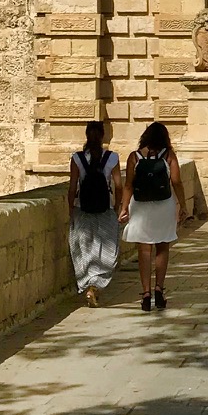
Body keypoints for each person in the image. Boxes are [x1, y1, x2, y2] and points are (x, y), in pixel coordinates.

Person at [118, 120, 184, 313]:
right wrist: (183, 205)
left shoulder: (134, 157)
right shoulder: (168, 155)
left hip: (141, 206)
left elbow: (128, 184)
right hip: (164, 205)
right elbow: (177, 181)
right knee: (162, 247)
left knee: (144, 250)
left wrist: (124, 208)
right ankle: (159, 289)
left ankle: (145, 293)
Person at [67, 120, 120, 305]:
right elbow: (118, 185)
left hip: (83, 208)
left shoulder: (77, 158)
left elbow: (73, 185)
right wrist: (118, 205)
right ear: (103, 136)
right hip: (106, 209)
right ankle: (95, 286)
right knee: (108, 248)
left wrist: (70, 207)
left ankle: (88, 284)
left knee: (84, 247)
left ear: (86, 136)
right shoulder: (112, 158)